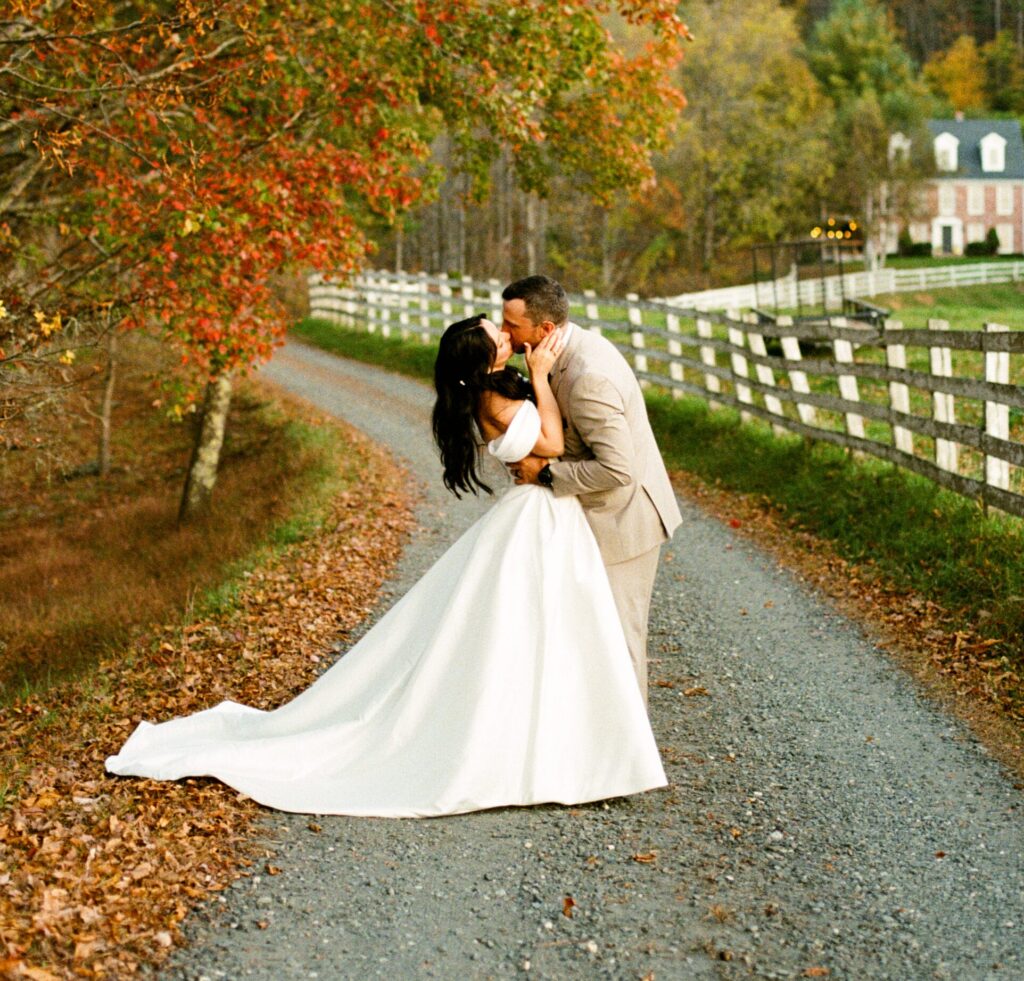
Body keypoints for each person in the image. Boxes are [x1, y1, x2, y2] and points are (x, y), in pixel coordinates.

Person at [105, 314, 666, 818]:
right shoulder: (495, 401)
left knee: (552, 629)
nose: (506, 332)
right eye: (499, 334)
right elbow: (550, 439)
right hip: (540, 517)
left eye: (504, 325)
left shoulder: (494, 391)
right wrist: (543, 377)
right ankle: (542, 748)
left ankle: (571, 743)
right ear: (486, 357)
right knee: (526, 631)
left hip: (547, 516)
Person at [500, 275, 682, 707]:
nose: (505, 333)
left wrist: (544, 475)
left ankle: (632, 767)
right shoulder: (562, 351)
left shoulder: (587, 378)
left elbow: (619, 470)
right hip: (594, 518)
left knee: (619, 641)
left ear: (545, 331)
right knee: (589, 640)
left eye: (513, 326)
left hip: (624, 521)